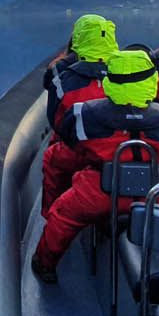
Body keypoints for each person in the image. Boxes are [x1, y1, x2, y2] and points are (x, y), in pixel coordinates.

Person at [32, 49, 159, 283]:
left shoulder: (84, 114)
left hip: (99, 189)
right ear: (151, 80)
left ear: (110, 80)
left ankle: (45, 265)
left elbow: (76, 148)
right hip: (158, 192)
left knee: (63, 216)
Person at [40, 14, 118, 215]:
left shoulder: (64, 77)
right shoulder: (126, 71)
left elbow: (57, 123)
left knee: (52, 158)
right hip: (121, 150)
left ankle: (50, 213)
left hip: (81, 150)